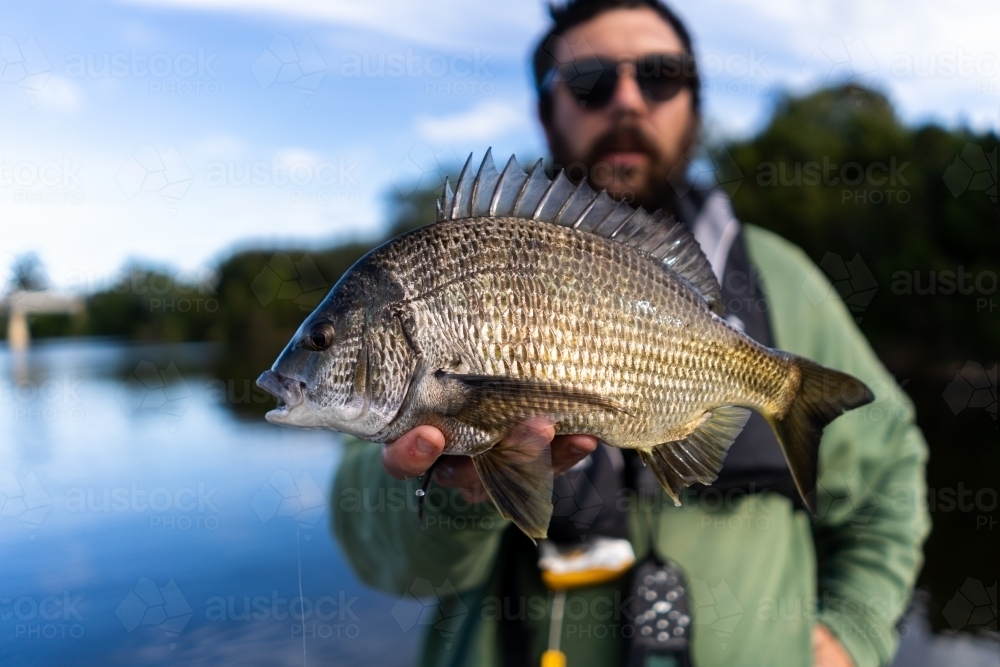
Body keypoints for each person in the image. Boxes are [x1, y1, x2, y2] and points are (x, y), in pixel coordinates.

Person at [333, 1, 929, 665]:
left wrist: (854, 629)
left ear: (694, 102)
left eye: (660, 75)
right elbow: (383, 557)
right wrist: (457, 494)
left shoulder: (782, 277)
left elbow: (892, 473)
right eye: (590, 81)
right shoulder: (432, 273)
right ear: (546, 108)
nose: (625, 100)